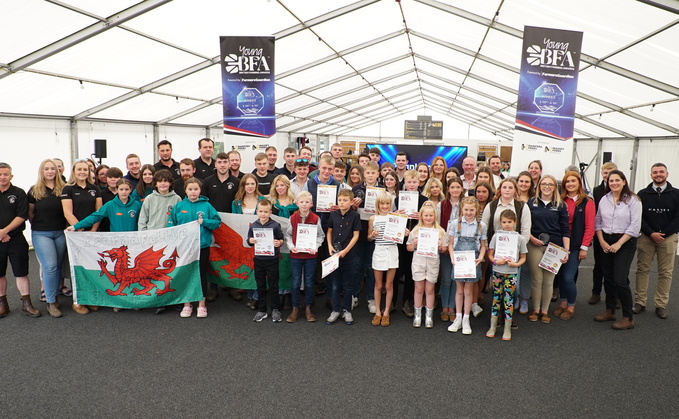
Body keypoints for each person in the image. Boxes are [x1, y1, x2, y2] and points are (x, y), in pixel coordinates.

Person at [594, 170, 641, 330]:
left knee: (620, 279)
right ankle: (610, 310)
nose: (613, 183)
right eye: (611, 180)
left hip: (625, 242)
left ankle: (628, 317)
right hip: (606, 240)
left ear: (623, 181)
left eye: (616, 180)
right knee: (608, 277)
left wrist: (618, 244)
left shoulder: (633, 200)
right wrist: (602, 242)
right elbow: (598, 221)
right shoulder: (604, 200)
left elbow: (635, 226)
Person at [168, 177, 221, 318]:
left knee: (200, 274)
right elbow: (171, 225)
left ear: (200, 190)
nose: (193, 192)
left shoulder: (207, 206)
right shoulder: (179, 206)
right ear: (185, 190)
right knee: (186, 274)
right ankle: (187, 304)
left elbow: (217, 222)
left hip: (202, 246)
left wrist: (204, 222)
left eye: (196, 189)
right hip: (184, 248)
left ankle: (202, 305)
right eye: (190, 189)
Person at [482, 178, 532, 322]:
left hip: (513, 254)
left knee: (513, 288)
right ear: (500, 189)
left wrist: (517, 251)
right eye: (505, 187)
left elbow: (525, 231)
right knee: (496, 286)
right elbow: (484, 227)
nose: (507, 190)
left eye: (511, 187)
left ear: (515, 190)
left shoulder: (522, 207)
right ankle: (496, 316)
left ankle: (508, 317)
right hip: (496, 252)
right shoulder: (491, 206)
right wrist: (487, 247)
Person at [634, 163, 679, 319]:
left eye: (661, 172)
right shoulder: (642, 194)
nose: (658, 174)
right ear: (651, 175)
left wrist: (663, 233)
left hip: (668, 238)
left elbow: (678, 218)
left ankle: (661, 304)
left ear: (667, 174)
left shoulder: (676, 194)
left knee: (665, 273)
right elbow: (638, 217)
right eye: (655, 172)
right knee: (642, 270)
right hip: (646, 238)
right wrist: (650, 233)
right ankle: (640, 302)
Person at [526, 175, 570, 324]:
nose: (547, 186)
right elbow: (525, 226)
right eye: (544, 184)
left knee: (549, 281)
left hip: (554, 248)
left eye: (550, 184)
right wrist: (532, 238)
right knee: (537, 280)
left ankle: (545, 311)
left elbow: (565, 229)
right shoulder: (531, 203)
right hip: (534, 245)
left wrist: (567, 250)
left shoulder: (561, 205)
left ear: (554, 187)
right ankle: (536, 309)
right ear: (539, 186)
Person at [61, 159, 102, 315]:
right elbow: (67, 213)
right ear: (74, 171)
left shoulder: (95, 189)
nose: (83, 172)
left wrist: (93, 230)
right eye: (79, 169)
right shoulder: (68, 189)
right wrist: (80, 231)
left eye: (85, 169)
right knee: (76, 267)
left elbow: (98, 212)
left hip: (91, 235)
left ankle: (90, 298)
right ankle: (78, 301)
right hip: (75, 235)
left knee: (91, 266)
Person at [0, 162, 41, 318]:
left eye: (5, 174)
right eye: (0, 174)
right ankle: (3, 304)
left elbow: (22, 215)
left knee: (21, 273)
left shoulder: (19, 193)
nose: (2, 177)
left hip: (16, 239)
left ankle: (26, 304)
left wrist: (4, 231)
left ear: (11, 176)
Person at [28, 159, 68, 317]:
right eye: (47, 169)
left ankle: (55, 296)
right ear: (42, 171)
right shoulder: (34, 190)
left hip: (60, 232)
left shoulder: (64, 189)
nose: (50, 171)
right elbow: (30, 214)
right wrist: (40, 226)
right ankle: (51, 302)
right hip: (41, 233)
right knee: (50, 266)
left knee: (57, 266)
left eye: (53, 168)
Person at [554, 171, 595, 320]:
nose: (570, 184)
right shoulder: (561, 200)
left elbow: (590, 226)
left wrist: (584, 248)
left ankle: (571, 306)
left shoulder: (587, 202)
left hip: (576, 245)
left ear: (579, 183)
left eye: (573, 181)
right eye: (567, 182)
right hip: (560, 245)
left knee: (568, 277)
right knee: (560, 276)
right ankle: (563, 303)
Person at [448, 197, 487, 335]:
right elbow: (451, 244)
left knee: (468, 291)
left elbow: (483, 246)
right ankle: (458, 318)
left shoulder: (481, 225)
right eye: (466, 209)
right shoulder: (454, 224)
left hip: (472, 261)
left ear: (476, 210)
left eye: (471, 210)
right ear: (461, 209)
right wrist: (452, 257)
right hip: (458, 261)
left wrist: (481, 257)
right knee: (459, 290)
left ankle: (466, 319)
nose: (469, 212)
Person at [407, 201, 450, 329]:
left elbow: (445, 249)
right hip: (418, 262)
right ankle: (418, 315)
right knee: (419, 289)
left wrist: (440, 247)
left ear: (435, 216)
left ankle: (429, 315)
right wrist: (415, 244)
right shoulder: (416, 230)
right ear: (421, 216)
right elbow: (408, 247)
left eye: (431, 215)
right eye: (426, 215)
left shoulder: (440, 231)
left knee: (430, 290)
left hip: (432, 263)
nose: (428, 218)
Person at [486, 209, 527, 341]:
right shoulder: (496, 236)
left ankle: (507, 328)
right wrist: (496, 261)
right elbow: (490, 254)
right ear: (500, 223)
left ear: (515, 222)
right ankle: (492, 326)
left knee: (509, 300)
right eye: (504, 222)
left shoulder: (519, 238)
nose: (507, 224)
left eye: (509, 222)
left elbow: (523, 257)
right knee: (496, 299)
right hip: (498, 272)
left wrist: (516, 264)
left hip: (511, 273)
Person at [284, 191, 324, 323]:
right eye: (301, 202)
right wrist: (291, 246)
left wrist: (316, 246)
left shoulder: (316, 218)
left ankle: (308, 307)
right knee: (295, 282)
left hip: (310, 256)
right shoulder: (292, 218)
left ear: (311, 204)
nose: (304, 204)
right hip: (296, 255)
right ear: (297, 203)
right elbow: (288, 235)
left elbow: (320, 235)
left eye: (307, 202)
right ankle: (295, 308)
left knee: (309, 282)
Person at [396, 170, 428, 318]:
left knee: (411, 271)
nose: (412, 185)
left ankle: (407, 301)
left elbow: (429, 220)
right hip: (400, 238)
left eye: (414, 182)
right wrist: (397, 215)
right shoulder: (398, 199)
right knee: (397, 269)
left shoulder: (424, 200)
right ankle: (393, 301)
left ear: (419, 183)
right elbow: (392, 219)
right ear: (405, 183)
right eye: (409, 182)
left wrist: (420, 217)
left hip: (416, 240)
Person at [326, 189, 361, 325]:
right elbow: (329, 231)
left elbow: (356, 235)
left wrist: (345, 251)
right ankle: (335, 310)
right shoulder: (333, 215)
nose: (342, 202)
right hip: (334, 255)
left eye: (345, 200)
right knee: (335, 285)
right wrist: (329, 245)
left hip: (348, 255)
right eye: (340, 200)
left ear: (351, 202)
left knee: (347, 285)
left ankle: (347, 310)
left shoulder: (355, 216)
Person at [351, 161, 382, 314]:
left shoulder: (382, 190)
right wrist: (354, 207)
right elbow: (350, 212)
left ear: (378, 174)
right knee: (356, 266)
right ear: (364, 174)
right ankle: (354, 295)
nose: (370, 175)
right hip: (358, 232)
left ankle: (371, 298)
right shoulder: (356, 189)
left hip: (375, 234)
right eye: (367, 173)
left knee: (371, 267)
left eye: (373, 173)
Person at [247, 198, 284, 322]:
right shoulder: (254, 225)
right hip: (259, 259)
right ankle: (262, 310)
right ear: (257, 211)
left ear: (270, 212)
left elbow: (281, 239)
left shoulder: (275, 225)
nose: (263, 214)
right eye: (261, 211)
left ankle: (275, 309)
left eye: (266, 212)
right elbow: (249, 240)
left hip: (272, 260)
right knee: (260, 285)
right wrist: (250, 241)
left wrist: (279, 242)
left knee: (273, 286)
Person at [231, 174, 266, 308]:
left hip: (260, 240)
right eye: (247, 184)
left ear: (256, 185)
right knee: (247, 267)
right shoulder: (236, 202)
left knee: (258, 268)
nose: (250, 186)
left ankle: (257, 296)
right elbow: (234, 221)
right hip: (243, 240)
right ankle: (250, 295)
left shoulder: (262, 199)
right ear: (243, 186)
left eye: (252, 184)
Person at [368, 192, 399, 327]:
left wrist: (405, 233)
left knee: (389, 285)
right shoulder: (373, 218)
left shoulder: (395, 217)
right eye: (382, 203)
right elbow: (369, 237)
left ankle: (386, 312)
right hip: (379, 250)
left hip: (392, 250)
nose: (385, 206)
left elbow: (400, 235)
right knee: (379, 285)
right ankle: (377, 313)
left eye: (387, 203)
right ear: (378, 204)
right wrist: (373, 235)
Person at [589, 161, 617, 304]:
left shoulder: (623, 190)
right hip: (600, 233)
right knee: (599, 265)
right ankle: (596, 292)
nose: (607, 175)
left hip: (617, 234)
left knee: (616, 267)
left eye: (611, 172)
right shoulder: (596, 190)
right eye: (605, 173)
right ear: (602, 174)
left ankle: (615, 296)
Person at [437, 177, 464, 322]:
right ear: (448, 189)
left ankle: (452, 306)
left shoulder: (465, 205)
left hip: (461, 247)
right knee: (446, 279)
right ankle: (444, 306)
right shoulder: (441, 205)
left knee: (456, 279)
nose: (455, 190)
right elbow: (436, 226)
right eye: (452, 187)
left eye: (457, 187)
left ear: (462, 189)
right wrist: (443, 244)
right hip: (444, 246)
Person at [269, 175, 298, 310]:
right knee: (278, 266)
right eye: (277, 185)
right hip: (276, 238)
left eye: (282, 185)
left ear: (287, 185)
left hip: (292, 238)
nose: (280, 188)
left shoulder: (295, 203)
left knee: (289, 266)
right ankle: (279, 293)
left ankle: (289, 294)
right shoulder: (272, 202)